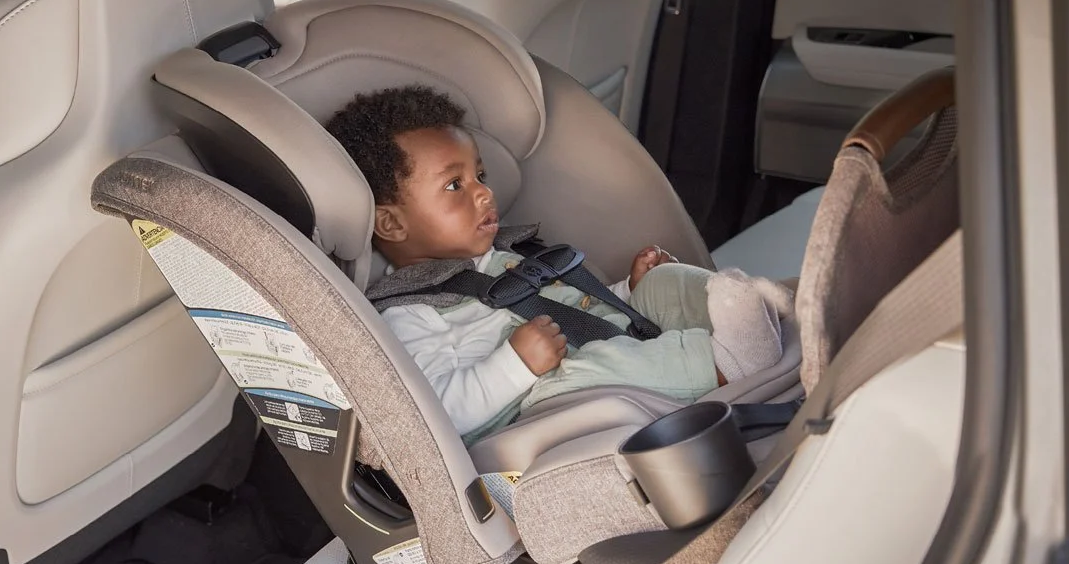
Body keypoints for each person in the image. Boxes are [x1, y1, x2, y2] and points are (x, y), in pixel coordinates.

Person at [326, 86, 791, 442]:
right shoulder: (409, 312)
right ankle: (728, 360)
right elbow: (438, 411)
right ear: (391, 224)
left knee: (661, 282)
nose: (484, 192)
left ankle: (753, 310)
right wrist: (515, 365)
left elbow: (574, 308)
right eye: (455, 186)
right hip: (528, 404)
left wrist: (627, 295)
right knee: (593, 366)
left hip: (577, 344)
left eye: (480, 176)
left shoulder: (503, 256)